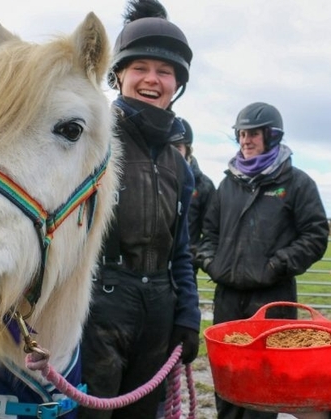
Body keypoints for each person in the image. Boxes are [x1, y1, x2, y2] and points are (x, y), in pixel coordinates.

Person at [79, 1, 201, 418]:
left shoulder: (180, 167)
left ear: (176, 84)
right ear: (118, 76)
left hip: (158, 313)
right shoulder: (93, 146)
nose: (152, 79)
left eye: (164, 71)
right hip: (98, 308)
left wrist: (186, 314)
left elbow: (180, 250)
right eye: (140, 68)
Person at [196, 102, 329, 419]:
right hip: (228, 298)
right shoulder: (228, 183)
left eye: (253, 134)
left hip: (273, 300)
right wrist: (213, 263)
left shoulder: (297, 183)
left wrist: (276, 266)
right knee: (228, 381)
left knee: (265, 386)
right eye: (241, 134)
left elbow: (315, 235)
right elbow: (207, 234)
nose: (245, 140)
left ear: (272, 136)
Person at [171, 117, 216, 281]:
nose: (173, 153)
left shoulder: (204, 186)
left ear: (188, 150)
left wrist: (195, 256)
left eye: (177, 147)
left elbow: (211, 230)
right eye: (168, 147)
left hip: (185, 272)